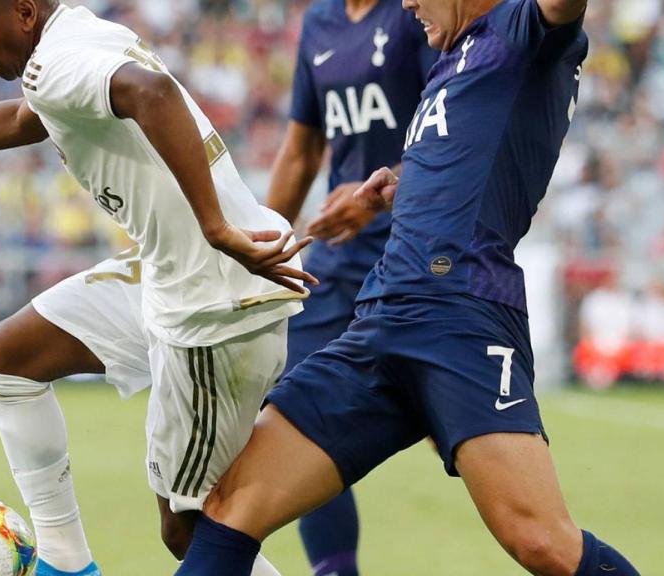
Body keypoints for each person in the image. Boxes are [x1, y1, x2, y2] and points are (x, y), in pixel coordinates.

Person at [0, 2, 318, 576]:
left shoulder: (59, 61)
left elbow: (154, 92)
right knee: (8, 357)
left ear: (24, 12)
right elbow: (25, 119)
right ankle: (66, 564)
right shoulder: (74, 36)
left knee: (191, 530)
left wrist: (214, 226)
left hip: (213, 302)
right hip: (169, 271)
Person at [175, 1, 641, 575]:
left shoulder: (521, 30)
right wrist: (398, 187)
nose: (406, 4)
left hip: (460, 319)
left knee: (542, 542)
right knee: (231, 508)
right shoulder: (455, 55)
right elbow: (469, 156)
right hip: (380, 319)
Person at [265, 0, 436, 574]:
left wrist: (384, 194)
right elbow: (302, 150)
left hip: (415, 253)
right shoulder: (320, 23)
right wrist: (259, 245)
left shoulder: (416, 12)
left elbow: (454, 128)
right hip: (338, 260)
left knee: (460, 434)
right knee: (291, 415)